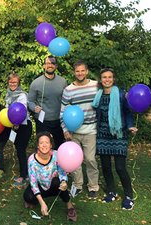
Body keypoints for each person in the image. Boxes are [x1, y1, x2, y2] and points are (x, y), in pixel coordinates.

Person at [92, 68, 137, 210]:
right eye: (104, 77)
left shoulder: (121, 95)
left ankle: (129, 196)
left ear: (113, 79)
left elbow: (128, 112)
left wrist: (130, 126)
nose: (107, 79)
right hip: (103, 135)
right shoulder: (98, 96)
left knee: (120, 168)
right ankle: (111, 192)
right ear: (101, 79)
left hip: (118, 134)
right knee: (105, 167)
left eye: (109, 77)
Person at [60, 60, 99, 199]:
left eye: (83, 70)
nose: (80, 73)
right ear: (74, 72)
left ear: (87, 71)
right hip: (74, 132)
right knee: (74, 161)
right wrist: (65, 129)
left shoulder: (95, 86)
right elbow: (63, 111)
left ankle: (93, 186)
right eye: (77, 71)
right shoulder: (68, 90)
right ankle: (77, 185)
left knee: (90, 159)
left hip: (91, 130)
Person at [23, 132, 77, 221]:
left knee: (59, 182)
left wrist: (64, 182)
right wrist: (42, 203)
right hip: (40, 186)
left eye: (47, 142)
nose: (44, 145)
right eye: (41, 143)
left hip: (54, 185)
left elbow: (62, 172)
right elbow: (33, 183)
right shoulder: (32, 160)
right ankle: (37, 200)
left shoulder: (57, 155)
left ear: (51, 145)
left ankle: (70, 207)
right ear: (37, 145)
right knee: (28, 197)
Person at [27, 56, 67, 149]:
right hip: (42, 122)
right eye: (48, 63)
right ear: (44, 66)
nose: (50, 65)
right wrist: (34, 108)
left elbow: (66, 100)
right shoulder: (36, 83)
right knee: (43, 148)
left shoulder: (63, 81)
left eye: (52, 63)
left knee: (59, 148)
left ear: (56, 66)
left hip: (59, 121)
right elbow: (30, 102)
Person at [5, 72, 32, 187]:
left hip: (24, 126)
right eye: (11, 81)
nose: (12, 84)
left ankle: (23, 176)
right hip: (14, 126)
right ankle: (26, 174)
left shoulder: (22, 95)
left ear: (18, 83)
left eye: (15, 82)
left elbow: (22, 111)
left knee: (21, 150)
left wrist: (17, 122)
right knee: (19, 150)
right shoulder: (8, 95)